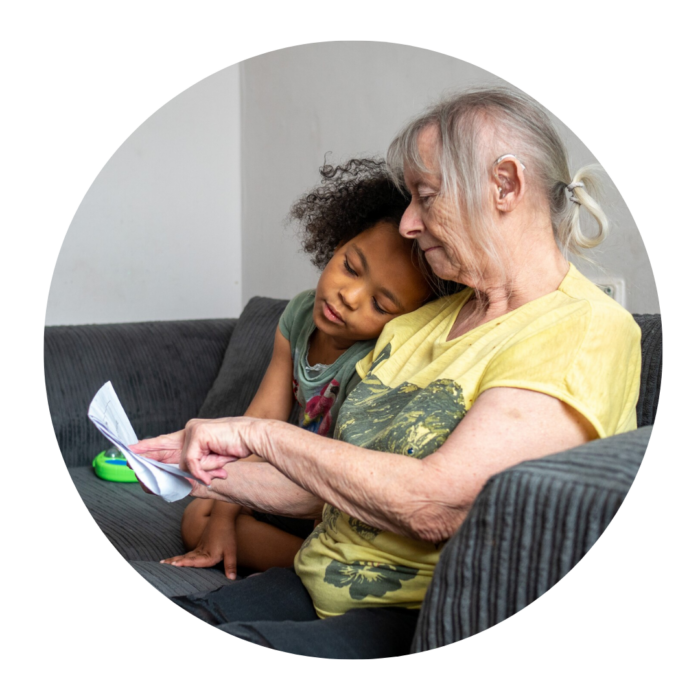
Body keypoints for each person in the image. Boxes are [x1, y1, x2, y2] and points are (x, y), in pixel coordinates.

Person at [132, 85, 642, 659]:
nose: (407, 223)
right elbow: (322, 492)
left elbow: (436, 505)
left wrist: (259, 435)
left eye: (425, 196)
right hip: (309, 580)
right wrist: (193, 466)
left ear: (505, 185)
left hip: (413, 616)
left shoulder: (586, 328)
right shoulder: (417, 324)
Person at [161, 158, 454, 581]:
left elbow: (347, 478)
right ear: (336, 240)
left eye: (380, 304)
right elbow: (260, 420)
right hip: (280, 474)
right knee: (199, 517)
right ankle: (271, 549)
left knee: (219, 519)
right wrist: (224, 518)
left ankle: (313, 564)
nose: (349, 296)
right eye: (351, 267)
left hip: (331, 497)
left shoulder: (376, 359)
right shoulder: (299, 315)